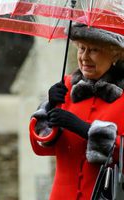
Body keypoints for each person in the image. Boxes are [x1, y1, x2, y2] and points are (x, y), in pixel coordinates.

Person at [29, 23, 124, 200]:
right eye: (81, 48)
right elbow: (40, 146)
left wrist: (85, 130)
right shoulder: (66, 87)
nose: (84, 57)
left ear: (115, 54)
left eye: (94, 50)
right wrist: (48, 107)